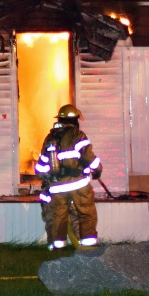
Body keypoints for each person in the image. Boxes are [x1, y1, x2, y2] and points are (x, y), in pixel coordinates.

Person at [35, 104, 102, 250]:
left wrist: (48, 180)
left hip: (57, 187)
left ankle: (58, 247)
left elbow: (41, 167)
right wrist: (97, 169)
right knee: (86, 213)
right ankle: (89, 245)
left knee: (59, 216)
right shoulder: (78, 135)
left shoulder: (50, 138)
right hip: (79, 184)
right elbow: (88, 157)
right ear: (74, 119)